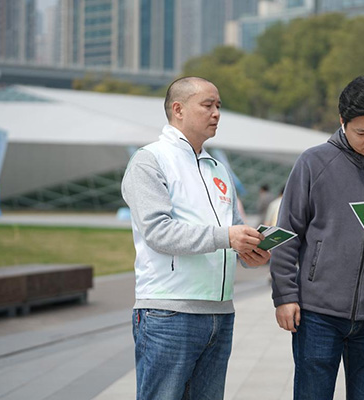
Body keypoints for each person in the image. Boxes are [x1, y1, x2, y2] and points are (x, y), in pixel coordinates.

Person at [270, 75, 364, 400]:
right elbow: (286, 233)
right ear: (342, 121)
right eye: (361, 132)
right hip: (317, 314)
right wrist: (284, 295)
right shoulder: (313, 163)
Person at [121, 76, 271, 400]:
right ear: (178, 109)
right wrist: (226, 237)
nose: (216, 113)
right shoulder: (150, 160)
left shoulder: (218, 169)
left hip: (220, 313)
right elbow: (158, 231)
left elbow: (232, 230)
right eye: (207, 105)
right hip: (168, 312)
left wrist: (250, 252)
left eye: (219, 106)